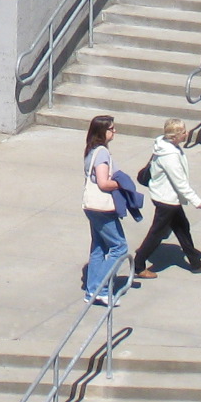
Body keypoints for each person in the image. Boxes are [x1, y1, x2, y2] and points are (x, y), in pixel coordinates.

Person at [133, 119, 201, 278]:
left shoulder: (165, 146)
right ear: (175, 136)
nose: (186, 134)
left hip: (168, 198)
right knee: (157, 233)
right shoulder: (170, 155)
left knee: (182, 228)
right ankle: (138, 265)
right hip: (167, 200)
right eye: (183, 132)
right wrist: (196, 200)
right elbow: (179, 182)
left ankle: (195, 262)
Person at [82, 113, 129, 305]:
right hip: (102, 208)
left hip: (92, 207)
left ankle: (92, 290)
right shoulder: (101, 152)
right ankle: (98, 289)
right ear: (102, 131)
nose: (114, 131)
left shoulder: (91, 150)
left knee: (99, 247)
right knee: (120, 247)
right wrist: (120, 184)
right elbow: (103, 183)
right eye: (111, 128)